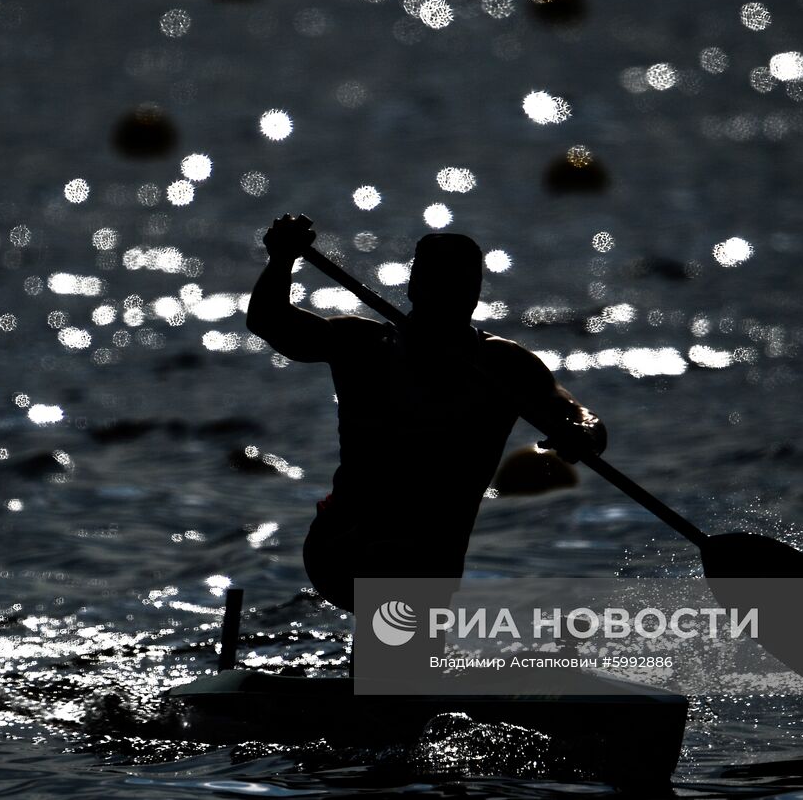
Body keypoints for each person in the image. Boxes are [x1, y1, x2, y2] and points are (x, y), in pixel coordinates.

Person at [246, 214, 607, 613]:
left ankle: (386, 670)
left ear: (475, 292)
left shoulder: (504, 365)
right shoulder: (364, 345)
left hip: (434, 561)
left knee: (416, 588)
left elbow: (577, 413)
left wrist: (582, 433)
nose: (448, 295)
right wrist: (280, 260)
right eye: (438, 282)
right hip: (344, 543)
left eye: (461, 285)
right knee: (400, 565)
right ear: (414, 286)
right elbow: (268, 321)